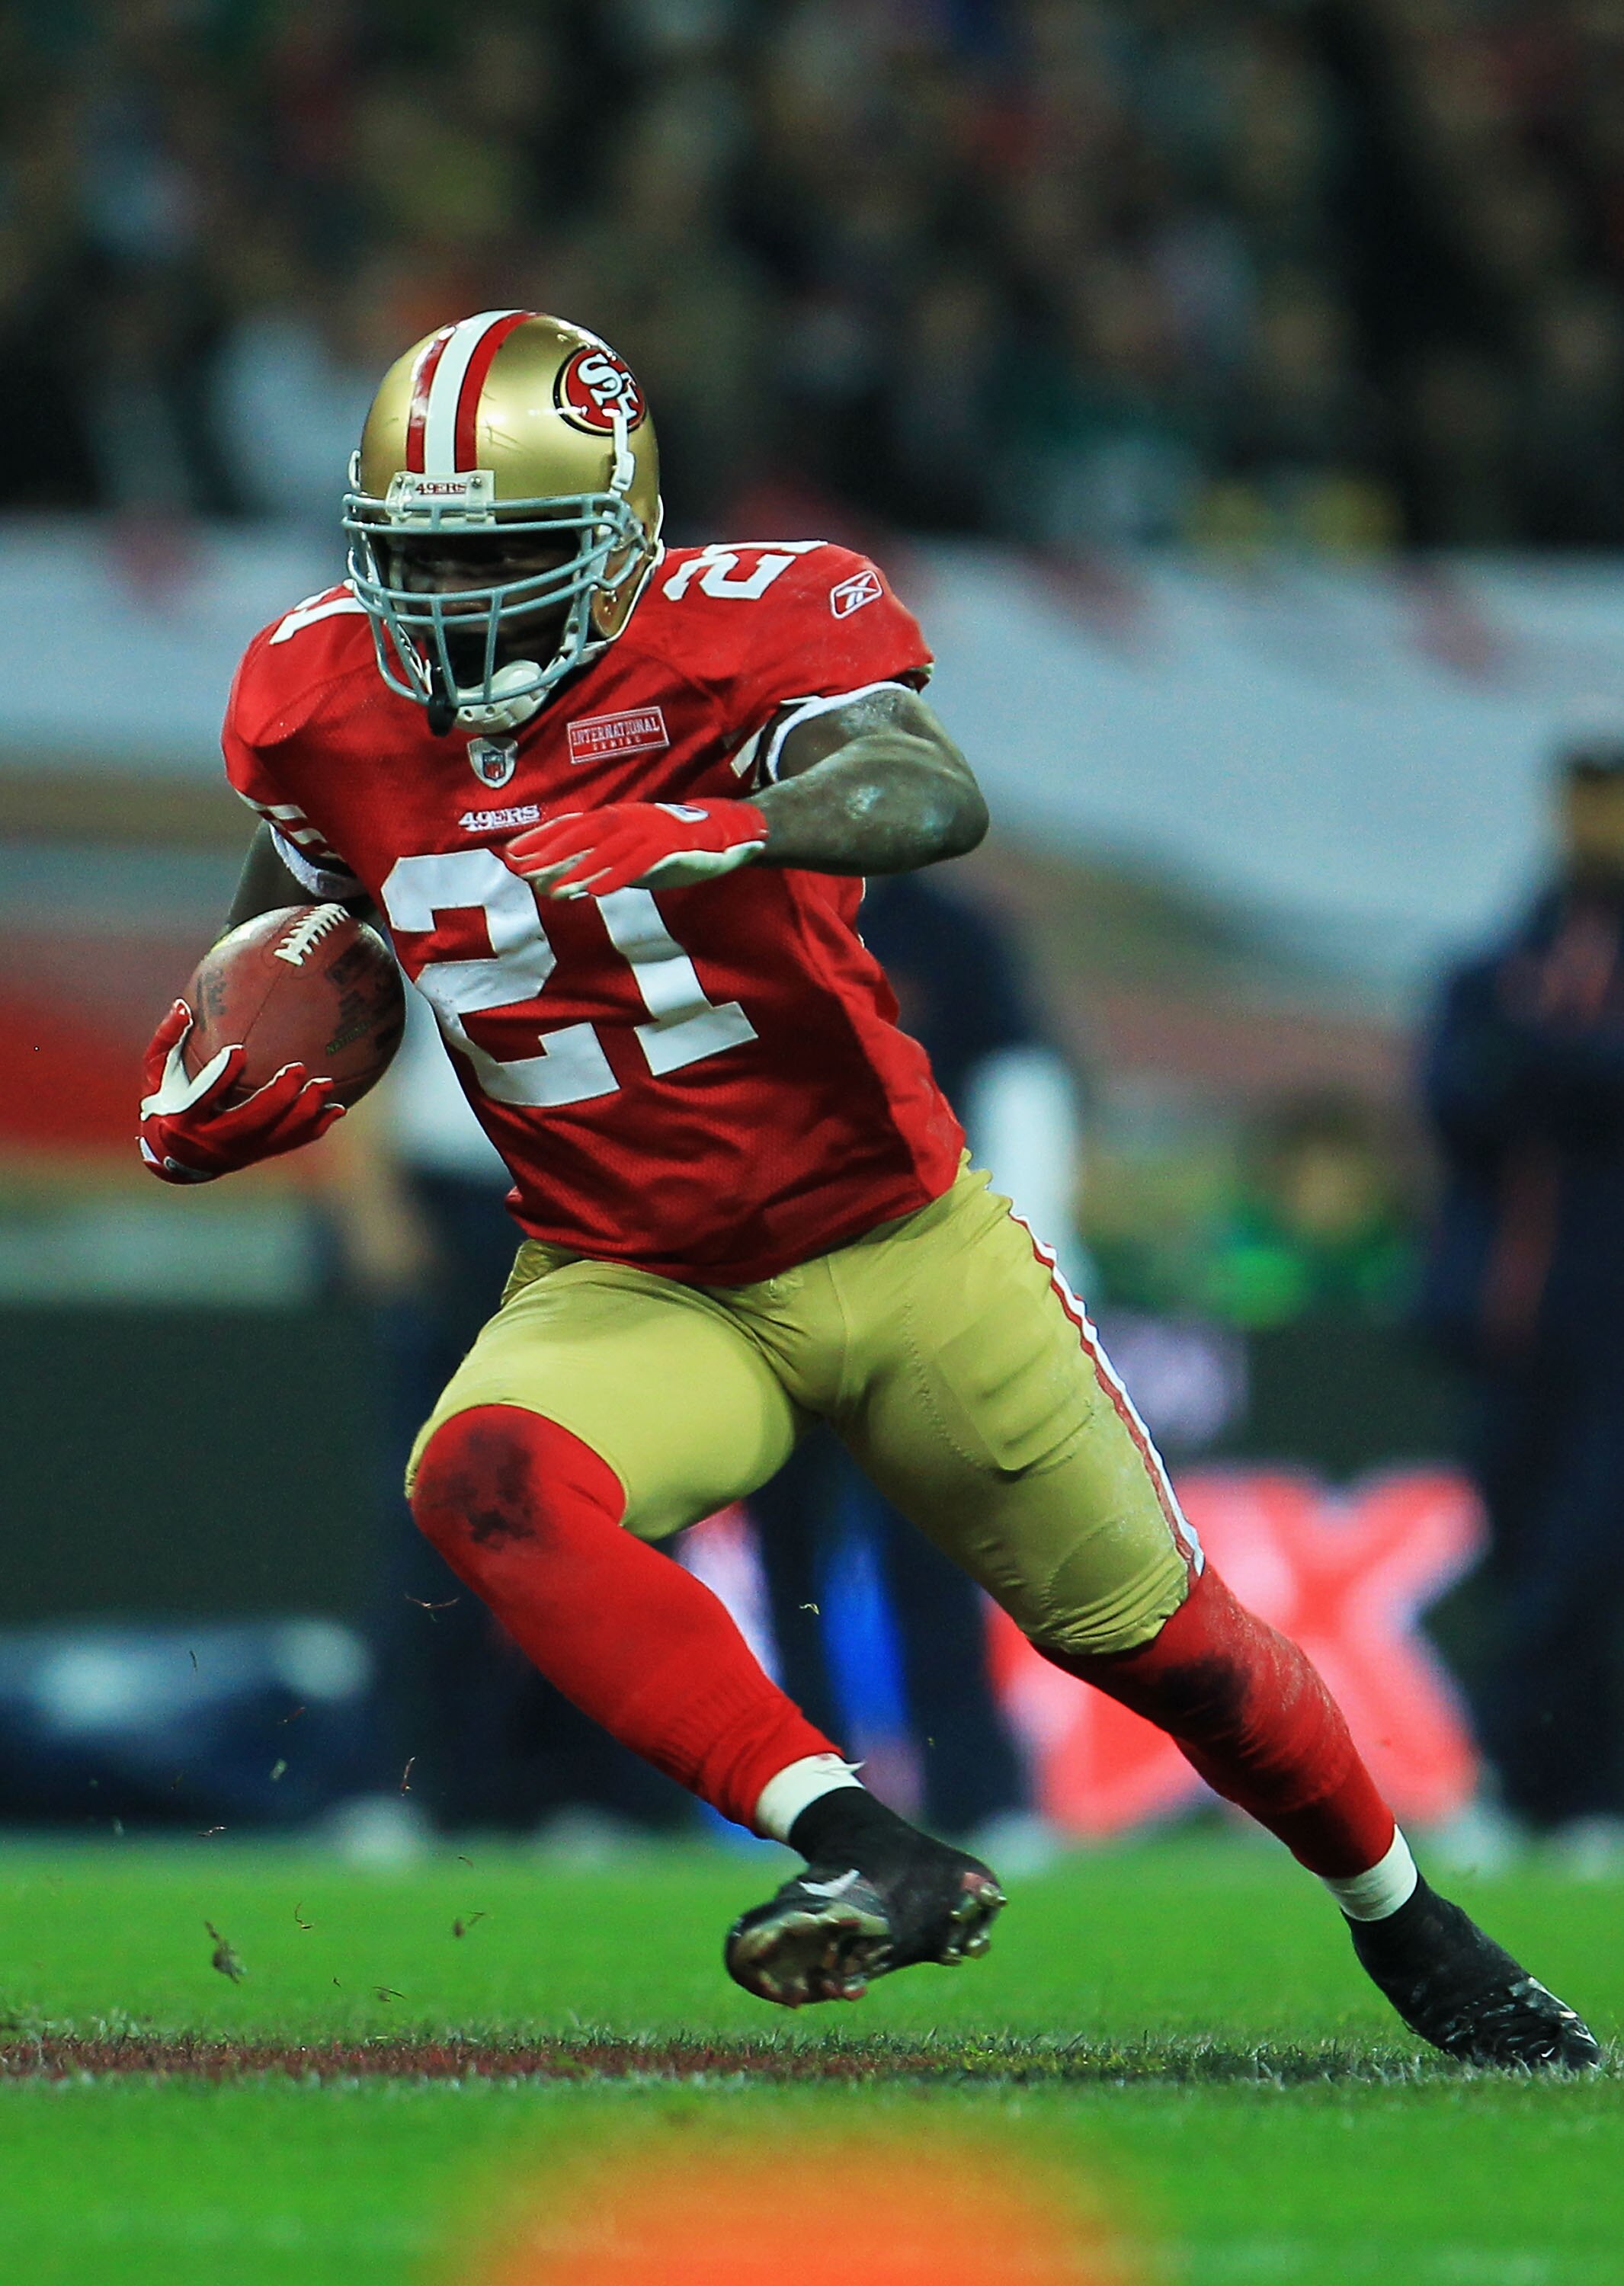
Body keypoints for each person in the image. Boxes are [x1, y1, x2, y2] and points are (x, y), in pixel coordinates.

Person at [136, 309, 1594, 2067]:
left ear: (616, 537)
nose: (448, 600)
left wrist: (717, 825)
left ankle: (1410, 1922)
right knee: (484, 1483)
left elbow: (924, 791)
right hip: (632, 1273)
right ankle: (865, 1849)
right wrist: (230, 1055)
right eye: (416, 555)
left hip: (895, 1245)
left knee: (1167, 1647)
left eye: (499, 552)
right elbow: (301, 909)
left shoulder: (746, 627)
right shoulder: (320, 699)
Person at [749, 869, 1079, 1859]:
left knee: (932, 1545)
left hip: (916, 1279)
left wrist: (1019, 1266)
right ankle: (812, 1799)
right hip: (772, 1276)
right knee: (789, 1551)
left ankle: (975, 1788)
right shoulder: (732, 900)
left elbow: (1019, 1087)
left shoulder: (949, 931)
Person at [1421, 726, 1624, 1864]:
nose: (1594, 820)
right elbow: (1456, 1096)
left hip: (1612, 1319)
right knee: (1519, 1545)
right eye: (1582, 794)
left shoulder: (1512, 978)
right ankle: (1551, 1794)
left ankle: (1557, 1783)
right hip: (1511, 1315)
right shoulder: (1509, 950)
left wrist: (1538, 1060)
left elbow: (1531, 1074)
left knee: (1584, 1555)